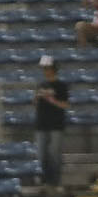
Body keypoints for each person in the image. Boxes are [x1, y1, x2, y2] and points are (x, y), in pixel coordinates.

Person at [32, 56, 70, 189]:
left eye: (47, 68)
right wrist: (37, 97)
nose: (45, 71)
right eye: (44, 69)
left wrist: (52, 100)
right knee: (41, 155)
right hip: (41, 124)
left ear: (53, 69)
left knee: (54, 154)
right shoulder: (41, 84)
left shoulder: (61, 85)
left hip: (56, 124)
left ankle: (55, 181)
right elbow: (35, 103)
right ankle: (44, 179)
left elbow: (65, 105)